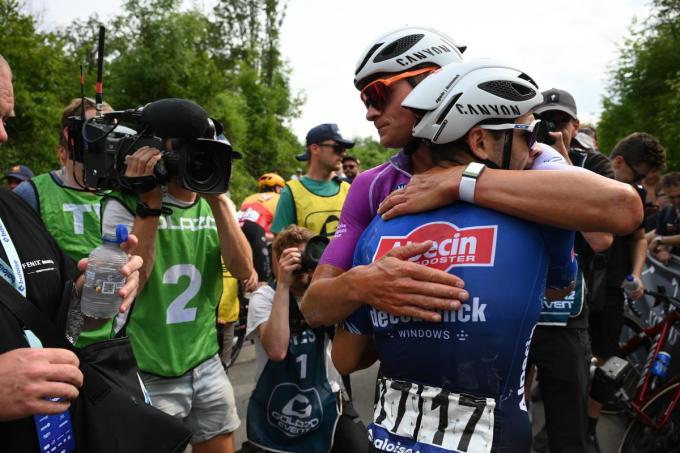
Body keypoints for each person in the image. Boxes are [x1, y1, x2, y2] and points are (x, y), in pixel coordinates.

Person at [301, 26, 643, 329]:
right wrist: (360, 285)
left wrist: (460, 180)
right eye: (364, 98)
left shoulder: (517, 150)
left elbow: (620, 212)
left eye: (378, 93)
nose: (369, 111)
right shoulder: (373, 184)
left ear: (432, 81)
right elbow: (314, 306)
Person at [332, 60, 577, 452]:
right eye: (528, 134)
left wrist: (405, 322)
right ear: (480, 141)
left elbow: (344, 358)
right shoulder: (543, 220)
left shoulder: (380, 225)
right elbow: (559, 287)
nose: (534, 148)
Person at [0, 54, 142, 452]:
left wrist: (97, 286)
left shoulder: (10, 209)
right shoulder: (32, 194)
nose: (4, 136)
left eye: (6, 119)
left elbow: (67, 315)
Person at [100, 101, 255, 453]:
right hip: (149, 368)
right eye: (200, 156)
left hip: (204, 359)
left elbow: (245, 271)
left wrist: (218, 201)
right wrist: (150, 204)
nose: (207, 165)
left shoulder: (214, 203)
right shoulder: (122, 204)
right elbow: (132, 284)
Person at [528, 88, 616, 453]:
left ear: (575, 125)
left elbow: (601, 239)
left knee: (568, 420)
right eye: (545, 120)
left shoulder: (594, 165)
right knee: (508, 409)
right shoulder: (519, 159)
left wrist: (562, 170)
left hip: (567, 309)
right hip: (521, 303)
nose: (552, 128)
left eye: (560, 121)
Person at [245, 225, 368, 452]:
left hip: (329, 397)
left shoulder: (326, 293)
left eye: (308, 256)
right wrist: (283, 284)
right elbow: (277, 350)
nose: (303, 265)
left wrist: (328, 272)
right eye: (295, 259)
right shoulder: (264, 298)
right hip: (278, 402)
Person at [586, 131, 665, 452]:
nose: (645, 185)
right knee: (559, 358)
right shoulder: (588, 182)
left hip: (613, 289)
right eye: (642, 176)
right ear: (619, 162)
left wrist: (636, 273)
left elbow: (639, 238)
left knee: (609, 361)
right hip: (577, 285)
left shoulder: (637, 195)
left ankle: (589, 426)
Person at [271, 123, 354, 238]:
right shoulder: (291, 192)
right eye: (337, 148)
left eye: (344, 149)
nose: (343, 154)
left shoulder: (349, 190)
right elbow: (278, 246)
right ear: (315, 149)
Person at [239, 172, 285, 242]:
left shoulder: (249, 198)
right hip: (259, 237)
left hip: (238, 233)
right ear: (278, 188)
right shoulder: (280, 199)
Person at [649, 172, 680, 263]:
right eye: (671, 197)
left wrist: (661, 240)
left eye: (679, 196)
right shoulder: (666, 212)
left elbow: (659, 239)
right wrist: (661, 251)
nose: (677, 201)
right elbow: (655, 244)